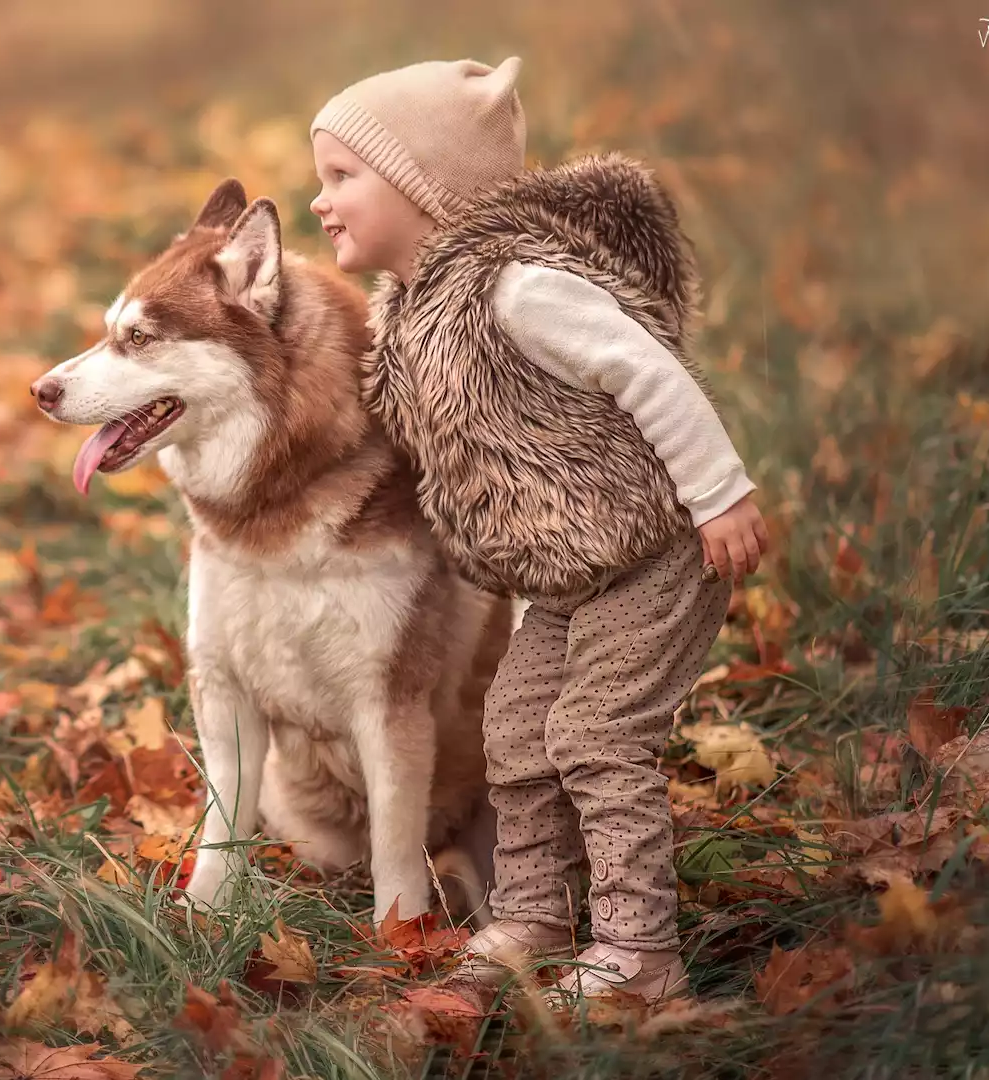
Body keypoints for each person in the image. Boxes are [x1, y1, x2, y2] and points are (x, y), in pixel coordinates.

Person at [305, 56, 769, 1005]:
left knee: (597, 734)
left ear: (421, 182)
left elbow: (648, 372)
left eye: (342, 177)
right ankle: (534, 914)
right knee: (516, 729)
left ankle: (640, 952)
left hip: (655, 547)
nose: (321, 201)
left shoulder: (519, 290)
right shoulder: (409, 317)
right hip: (565, 575)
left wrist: (721, 496)